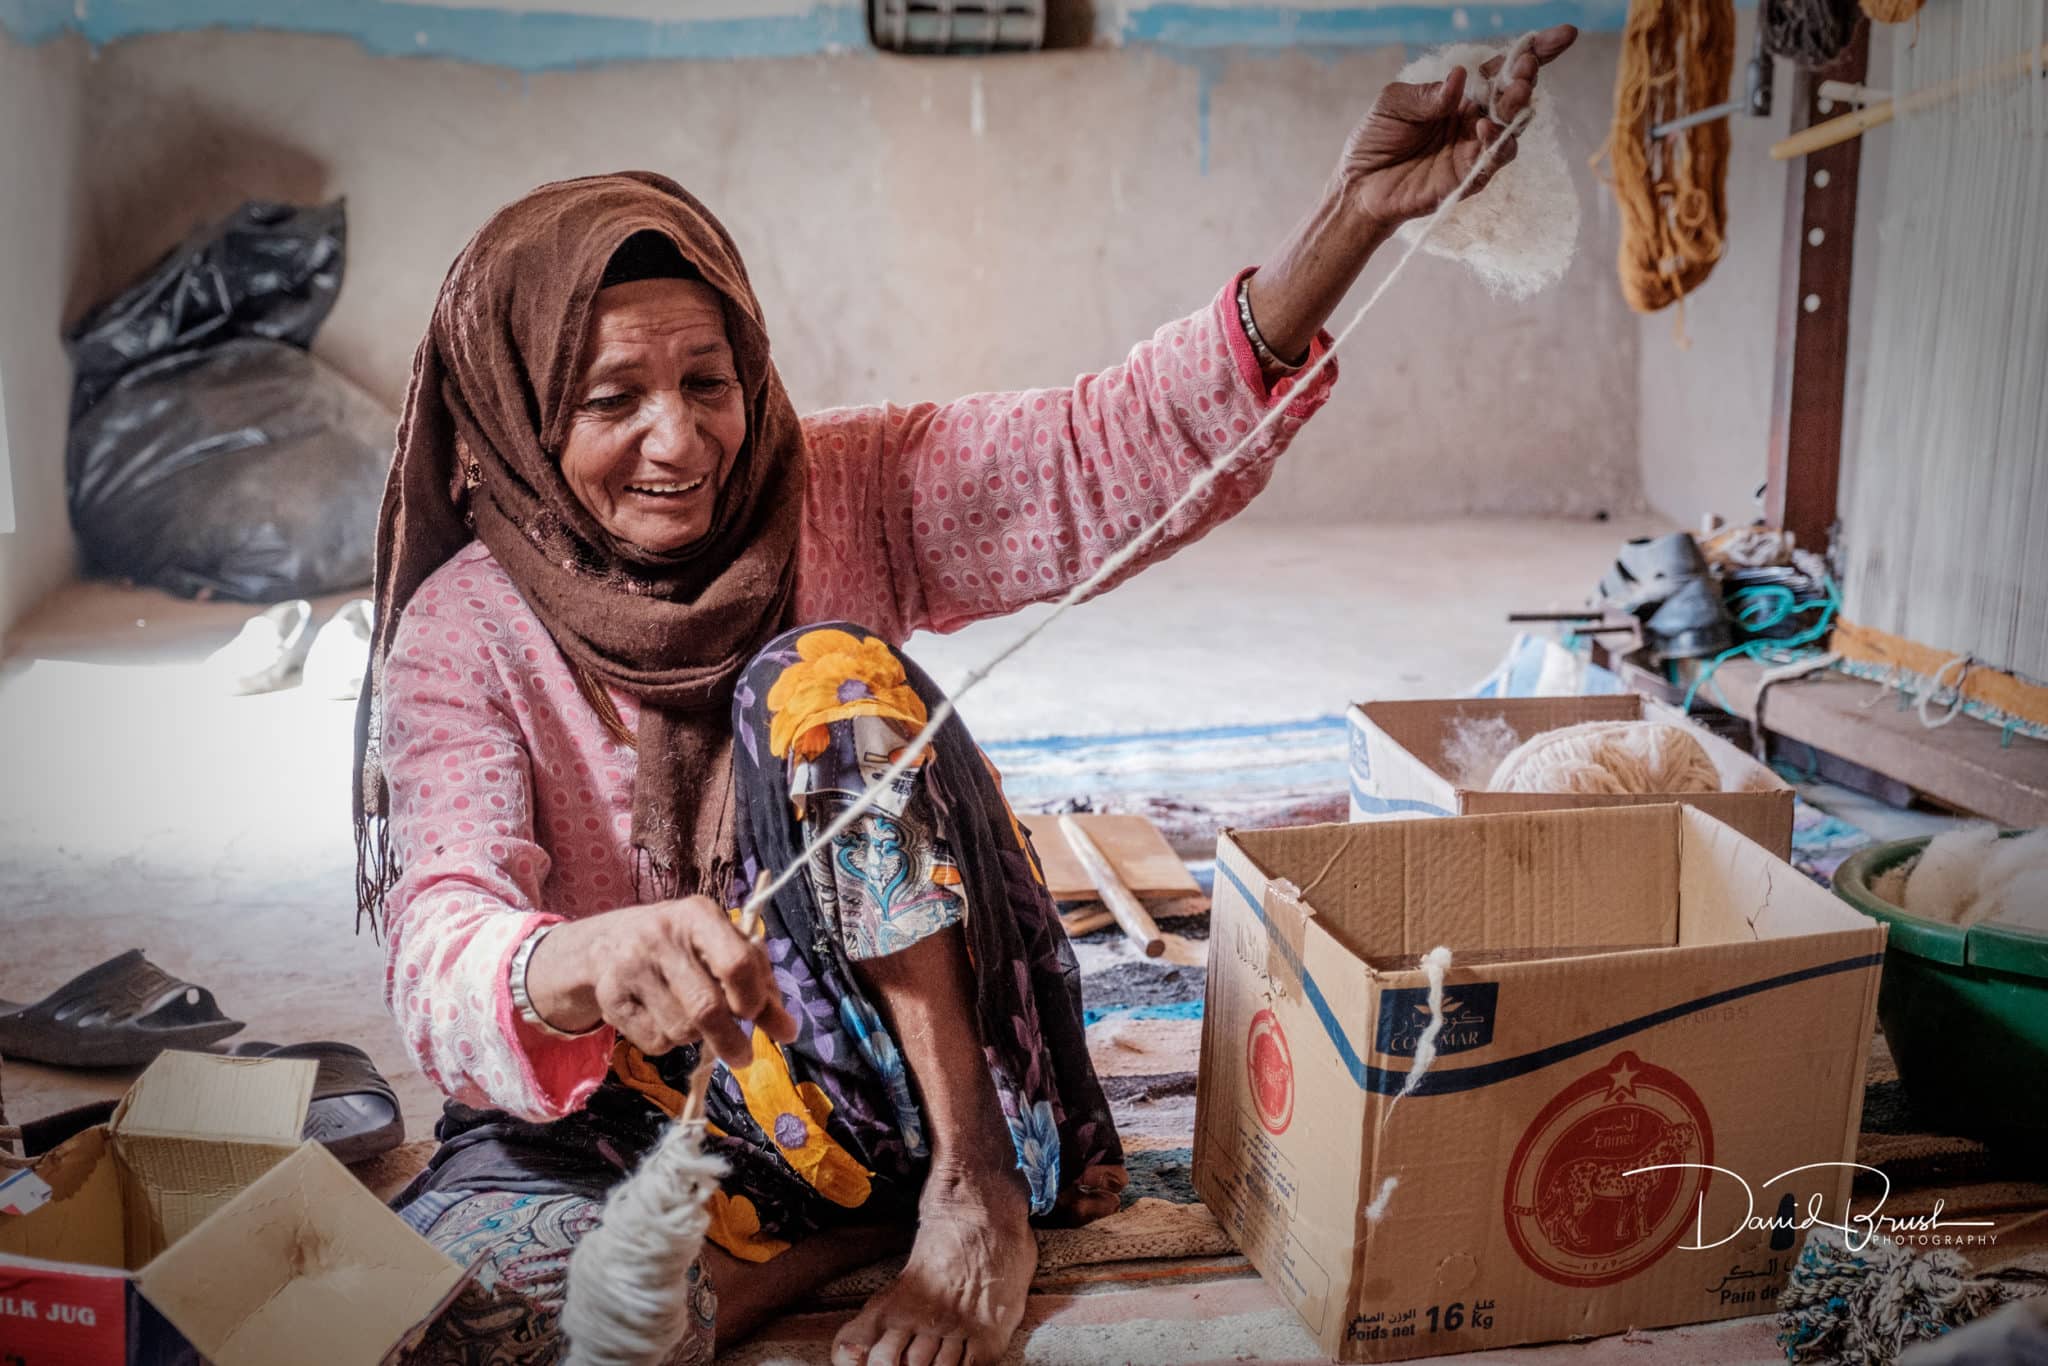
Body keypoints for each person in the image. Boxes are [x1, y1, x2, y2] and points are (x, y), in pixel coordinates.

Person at [355, 27, 1576, 1366]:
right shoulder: (462, 632)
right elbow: (439, 934)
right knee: (477, 1329)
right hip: (652, 1108)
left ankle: (971, 1184)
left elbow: (1104, 448)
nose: (684, 438)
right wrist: (568, 958)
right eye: (612, 398)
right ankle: (815, 1239)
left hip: (900, 1081)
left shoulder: (840, 489)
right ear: (517, 418)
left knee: (814, 679)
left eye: (710, 381)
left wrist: (1353, 219)